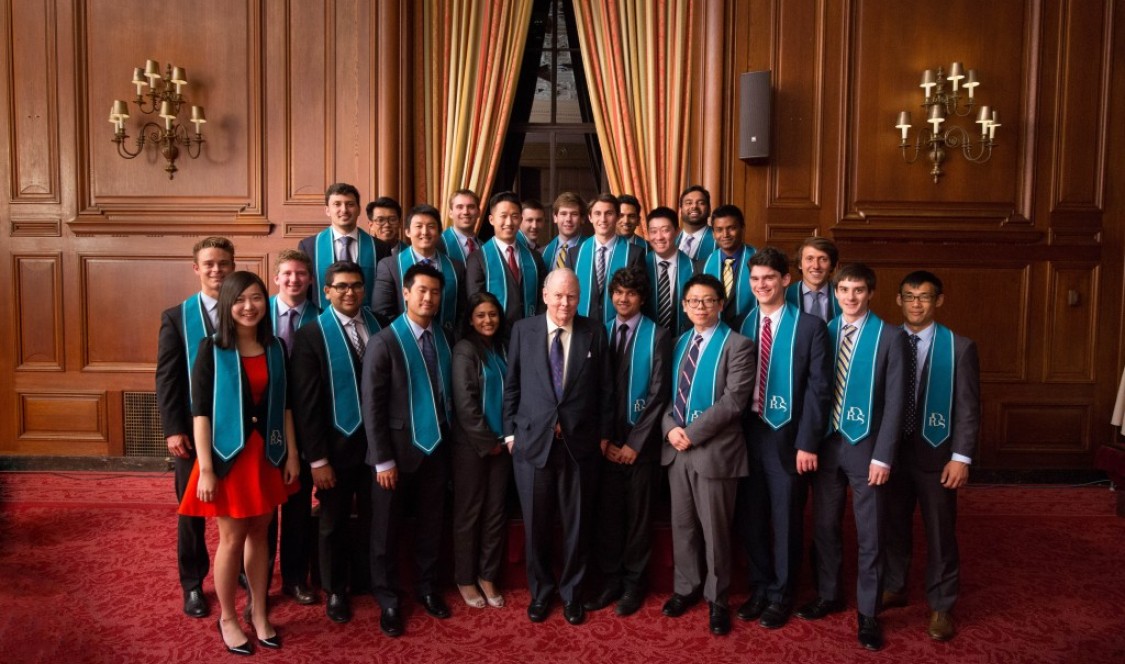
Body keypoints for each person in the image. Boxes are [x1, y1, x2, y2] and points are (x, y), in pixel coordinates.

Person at [178, 271, 300, 655]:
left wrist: (293, 454)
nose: (249, 307)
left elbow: (285, 407)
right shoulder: (211, 349)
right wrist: (207, 468)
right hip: (227, 459)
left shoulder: (276, 347)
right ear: (228, 305)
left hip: (268, 456)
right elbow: (200, 414)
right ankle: (228, 616)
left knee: (261, 534)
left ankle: (259, 609)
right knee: (231, 539)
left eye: (257, 298)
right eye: (240, 300)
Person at [796, 263, 906, 652]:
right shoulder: (823, 332)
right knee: (824, 526)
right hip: (826, 446)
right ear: (835, 292)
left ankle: (869, 611)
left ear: (871, 293)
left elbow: (896, 404)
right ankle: (829, 594)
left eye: (858, 290)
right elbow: (813, 393)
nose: (850, 297)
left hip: (867, 450)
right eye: (843, 289)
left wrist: (884, 457)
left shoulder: (890, 337)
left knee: (870, 533)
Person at [502, 268, 613, 626]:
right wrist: (509, 433)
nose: (565, 303)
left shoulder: (594, 331)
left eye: (572, 297)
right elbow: (512, 385)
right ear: (545, 295)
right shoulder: (523, 330)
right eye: (559, 295)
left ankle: (572, 595)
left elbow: (606, 390)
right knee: (536, 526)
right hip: (532, 444)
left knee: (577, 526)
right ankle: (541, 593)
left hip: (580, 447)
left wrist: (604, 435)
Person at [734, 247, 832, 630]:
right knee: (752, 516)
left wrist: (808, 442)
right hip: (748, 433)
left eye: (769, 278)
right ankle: (759, 586)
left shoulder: (809, 327)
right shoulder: (741, 324)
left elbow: (819, 390)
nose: (761, 285)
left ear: (786, 280)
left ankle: (782, 593)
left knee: (785, 517)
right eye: (755, 279)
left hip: (788, 437)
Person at [882, 271, 980, 642]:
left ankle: (941, 603)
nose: (916, 304)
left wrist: (961, 457)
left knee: (940, 531)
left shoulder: (959, 347)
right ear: (898, 300)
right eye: (909, 296)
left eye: (924, 297)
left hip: (937, 455)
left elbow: (969, 408)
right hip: (892, 453)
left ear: (938, 300)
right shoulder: (886, 340)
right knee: (893, 525)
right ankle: (894, 585)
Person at [660, 274, 755, 637]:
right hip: (677, 449)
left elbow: (734, 401)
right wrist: (670, 428)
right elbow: (666, 394)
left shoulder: (738, 345)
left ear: (720, 304)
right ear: (683, 306)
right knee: (682, 525)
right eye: (693, 301)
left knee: (715, 531)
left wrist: (692, 434)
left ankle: (718, 599)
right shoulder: (679, 342)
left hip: (715, 452)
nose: (700, 307)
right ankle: (686, 587)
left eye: (708, 301)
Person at [362, 263, 454, 637]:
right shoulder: (385, 341)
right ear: (405, 292)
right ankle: (387, 599)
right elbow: (373, 406)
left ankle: (428, 588)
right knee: (385, 531)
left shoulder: (444, 337)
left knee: (432, 526)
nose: (428, 298)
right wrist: (382, 459)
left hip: (436, 450)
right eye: (421, 291)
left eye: (434, 292)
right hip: (395, 455)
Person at [289, 261, 383, 624]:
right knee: (332, 522)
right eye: (341, 286)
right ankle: (334, 590)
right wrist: (317, 459)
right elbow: (306, 403)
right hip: (334, 447)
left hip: (374, 447)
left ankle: (363, 580)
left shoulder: (377, 325)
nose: (350, 292)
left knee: (372, 519)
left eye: (356, 285)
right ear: (326, 291)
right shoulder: (312, 334)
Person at [584, 266, 671, 617]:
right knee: (609, 516)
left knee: (638, 517)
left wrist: (634, 443)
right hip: (606, 445)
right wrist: (604, 439)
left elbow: (659, 394)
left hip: (641, 447)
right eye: (618, 293)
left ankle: (635, 583)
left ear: (642, 298)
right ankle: (611, 580)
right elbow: (591, 391)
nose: (623, 299)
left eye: (631, 293)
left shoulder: (658, 335)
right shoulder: (599, 333)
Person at [156, 236, 235, 619]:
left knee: (238, 507)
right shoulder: (176, 316)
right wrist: (173, 429)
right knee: (192, 512)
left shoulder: (245, 310)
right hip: (191, 432)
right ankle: (193, 583)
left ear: (232, 266)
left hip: (237, 428)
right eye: (209, 264)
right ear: (196, 268)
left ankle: (235, 569)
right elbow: (167, 378)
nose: (217, 270)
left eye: (223, 263)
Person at [451, 292, 512, 610]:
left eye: (492, 314)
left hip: (503, 447)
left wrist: (506, 440)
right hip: (473, 449)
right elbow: (466, 405)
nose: (488, 320)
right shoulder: (465, 350)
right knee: (469, 514)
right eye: (481, 315)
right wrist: (488, 443)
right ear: (471, 319)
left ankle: (488, 575)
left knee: (494, 513)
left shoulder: (502, 347)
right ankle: (465, 577)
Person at [269, 249, 320, 606]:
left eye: (301, 274)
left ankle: (294, 576)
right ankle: (255, 571)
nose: (294, 280)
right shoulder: (254, 313)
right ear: (276, 278)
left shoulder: (323, 318)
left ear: (311, 280)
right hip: (264, 424)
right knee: (261, 506)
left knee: (298, 506)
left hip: (306, 423)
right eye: (287, 274)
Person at [371, 204, 466, 339]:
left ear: (440, 232)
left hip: (446, 343)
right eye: (418, 226)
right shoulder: (389, 266)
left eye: (431, 227)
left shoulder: (456, 267)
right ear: (407, 232)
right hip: (403, 343)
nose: (425, 232)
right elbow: (382, 313)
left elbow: (462, 312)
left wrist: (452, 340)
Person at [298, 182, 390, 310]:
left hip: (367, 322)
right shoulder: (309, 247)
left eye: (350, 204)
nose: (344, 210)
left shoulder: (380, 248)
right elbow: (305, 290)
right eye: (337, 204)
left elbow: (384, 293)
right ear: (327, 210)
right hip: (323, 321)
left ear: (358, 209)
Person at [466, 191, 547, 328]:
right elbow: (475, 302)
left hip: (529, 331)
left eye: (514, 216)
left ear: (521, 220)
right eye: (503, 216)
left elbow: (543, 298)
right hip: (493, 333)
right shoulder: (478, 258)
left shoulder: (534, 258)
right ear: (491, 220)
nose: (509, 222)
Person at [573, 193, 645, 327]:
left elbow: (639, 296)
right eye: (597, 213)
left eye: (609, 213)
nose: (603, 219)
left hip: (619, 330)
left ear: (617, 217)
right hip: (582, 330)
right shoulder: (575, 253)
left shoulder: (634, 253)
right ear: (590, 217)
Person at [696, 204, 757, 329]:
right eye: (719, 229)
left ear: (743, 228)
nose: (725, 234)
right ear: (713, 233)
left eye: (731, 228)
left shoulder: (760, 262)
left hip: (753, 333)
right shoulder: (702, 266)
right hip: (715, 335)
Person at [644, 206, 695, 335]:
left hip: (682, 339)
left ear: (677, 231)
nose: (659, 237)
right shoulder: (640, 265)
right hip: (646, 338)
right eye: (653, 231)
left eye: (665, 230)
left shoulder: (694, 267)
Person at [787, 237, 841, 322]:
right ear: (800, 264)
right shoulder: (785, 296)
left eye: (823, 259)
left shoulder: (843, 296)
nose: (816, 266)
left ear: (831, 265)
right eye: (809, 259)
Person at [541, 191, 586, 272]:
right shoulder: (542, 253)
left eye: (574, 214)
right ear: (555, 217)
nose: (568, 219)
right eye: (563, 214)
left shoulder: (590, 249)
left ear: (582, 219)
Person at [440, 189, 482, 262]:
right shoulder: (438, 244)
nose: (465, 212)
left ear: (478, 212)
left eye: (471, 207)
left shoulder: (484, 247)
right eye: (459, 207)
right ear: (450, 213)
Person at [676, 185, 716, 262]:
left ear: (709, 209)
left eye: (701, 203)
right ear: (680, 210)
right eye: (688, 203)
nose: (694, 206)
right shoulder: (671, 240)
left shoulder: (719, 240)